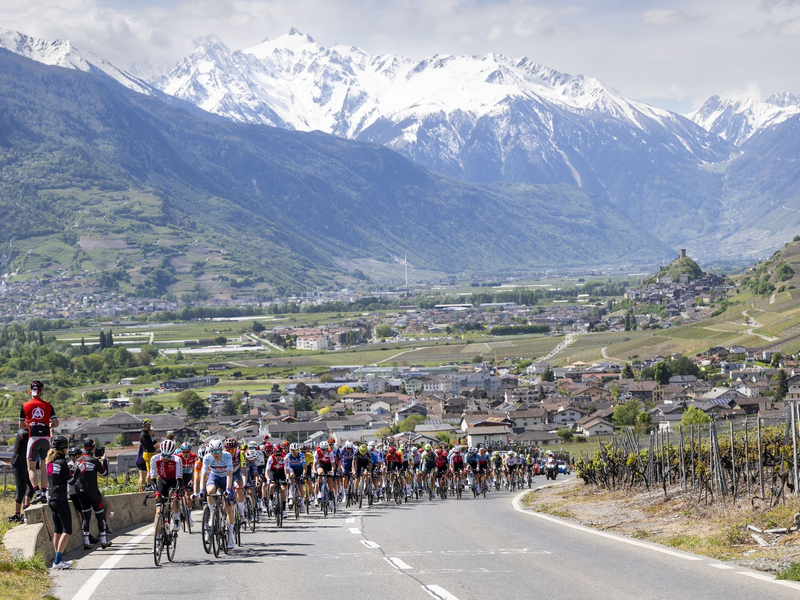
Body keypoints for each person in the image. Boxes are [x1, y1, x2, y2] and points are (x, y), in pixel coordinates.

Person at [19, 380, 58, 504]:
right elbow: (56, 423)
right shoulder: (48, 405)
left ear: (31, 390)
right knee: (44, 468)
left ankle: (37, 492)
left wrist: (31, 424)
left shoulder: (25, 405)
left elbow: (21, 425)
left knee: (31, 468)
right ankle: (45, 492)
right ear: (42, 391)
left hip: (33, 438)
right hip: (46, 439)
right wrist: (47, 423)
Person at [46, 435, 78, 570]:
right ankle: (58, 561)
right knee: (67, 529)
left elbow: (57, 477)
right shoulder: (63, 462)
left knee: (57, 530)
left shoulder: (50, 462)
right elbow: (71, 481)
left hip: (51, 498)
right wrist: (77, 471)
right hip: (60, 498)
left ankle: (57, 560)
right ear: (65, 448)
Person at [76, 439, 111, 549]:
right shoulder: (94, 461)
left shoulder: (79, 460)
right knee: (99, 516)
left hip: (82, 493)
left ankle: (86, 542)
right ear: (93, 448)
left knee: (86, 517)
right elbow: (104, 473)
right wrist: (104, 461)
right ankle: (104, 541)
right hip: (94, 493)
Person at [200, 439, 235, 549]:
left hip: (225, 478)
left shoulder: (227, 456)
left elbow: (229, 474)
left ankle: (230, 537)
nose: (215, 454)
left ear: (221, 450)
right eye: (213, 451)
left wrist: (228, 489)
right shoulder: (207, 457)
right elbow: (203, 475)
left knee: (229, 508)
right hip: (214, 476)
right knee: (210, 492)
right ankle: (212, 515)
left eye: (217, 451)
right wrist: (201, 490)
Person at [149, 439, 184, 533]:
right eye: (164, 455)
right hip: (162, 481)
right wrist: (156, 492)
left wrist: (176, 493)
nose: (166, 458)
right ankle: (158, 536)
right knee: (158, 510)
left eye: (168, 456)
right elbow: (152, 480)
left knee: (173, 495)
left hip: (174, 481)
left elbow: (179, 480)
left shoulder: (177, 460)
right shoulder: (154, 459)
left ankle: (176, 519)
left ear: (172, 454)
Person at [8, 429, 33, 522]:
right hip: (17, 465)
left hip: (25, 464)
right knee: (21, 489)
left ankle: (26, 509)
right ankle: (17, 514)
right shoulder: (23, 433)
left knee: (32, 487)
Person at [138, 419, 157, 491]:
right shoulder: (144, 434)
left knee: (149, 470)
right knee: (150, 470)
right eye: (149, 425)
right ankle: (149, 485)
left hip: (148, 453)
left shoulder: (145, 433)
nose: (150, 426)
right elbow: (148, 445)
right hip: (148, 454)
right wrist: (155, 441)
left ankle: (149, 485)